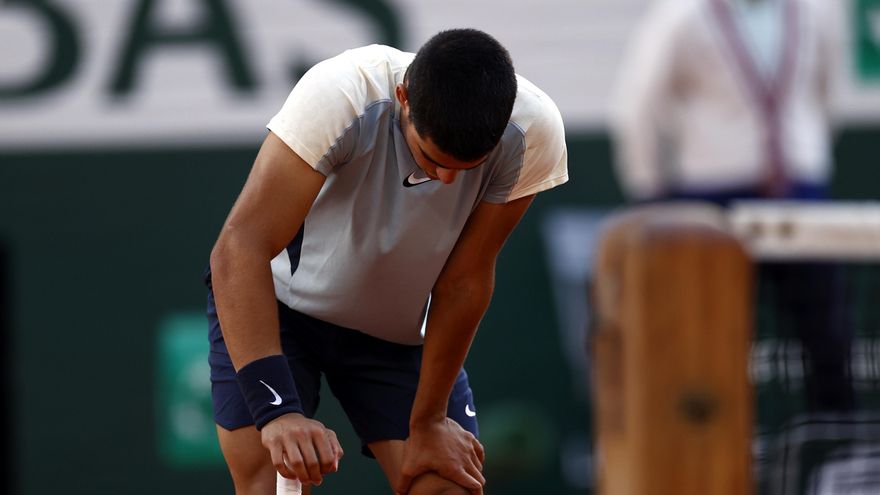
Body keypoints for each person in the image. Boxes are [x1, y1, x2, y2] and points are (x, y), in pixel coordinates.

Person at [205, 28, 568, 495]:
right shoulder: (340, 94)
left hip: (398, 334)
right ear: (403, 98)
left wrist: (432, 419)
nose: (446, 180)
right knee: (273, 483)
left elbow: (465, 281)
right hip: (279, 313)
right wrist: (278, 411)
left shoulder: (533, 132)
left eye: (466, 167)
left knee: (446, 484)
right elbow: (239, 247)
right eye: (432, 159)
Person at [610, 0, 854, 411]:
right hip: (713, 201)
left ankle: (836, 453)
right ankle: (708, 462)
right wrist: (649, 191)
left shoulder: (818, 12)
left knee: (828, 337)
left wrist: (805, 154)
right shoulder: (681, 16)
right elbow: (640, 104)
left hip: (801, 199)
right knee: (708, 343)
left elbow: (829, 95)